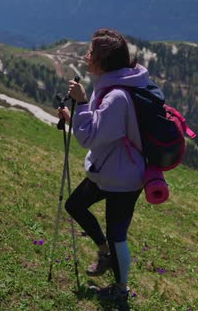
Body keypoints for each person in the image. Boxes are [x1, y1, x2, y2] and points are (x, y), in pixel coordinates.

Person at [57, 28, 147, 302]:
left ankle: (121, 290)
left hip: (123, 178)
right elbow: (101, 128)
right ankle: (105, 251)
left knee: (118, 234)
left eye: (91, 53)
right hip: (109, 169)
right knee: (75, 205)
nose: (86, 56)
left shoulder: (116, 96)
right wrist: (76, 115)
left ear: (103, 61)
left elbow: (90, 137)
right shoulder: (114, 84)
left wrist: (82, 104)